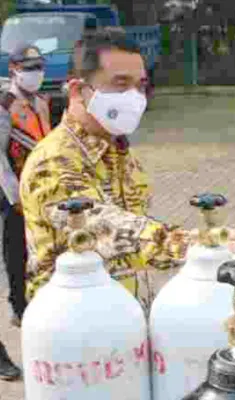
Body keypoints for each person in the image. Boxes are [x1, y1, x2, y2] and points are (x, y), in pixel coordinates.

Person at [18, 27, 208, 301]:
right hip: (69, 326)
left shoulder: (122, 156)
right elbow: (103, 229)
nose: (135, 97)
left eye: (140, 86)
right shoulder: (53, 161)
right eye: (121, 84)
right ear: (77, 91)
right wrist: (193, 246)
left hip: (125, 320)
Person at [0, 45, 51, 327]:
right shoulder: (5, 103)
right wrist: (14, 195)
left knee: (42, 246)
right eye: (28, 68)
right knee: (16, 249)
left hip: (42, 188)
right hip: (14, 190)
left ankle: (40, 296)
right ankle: (18, 306)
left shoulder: (42, 102)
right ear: (14, 69)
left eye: (39, 67)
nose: (36, 74)